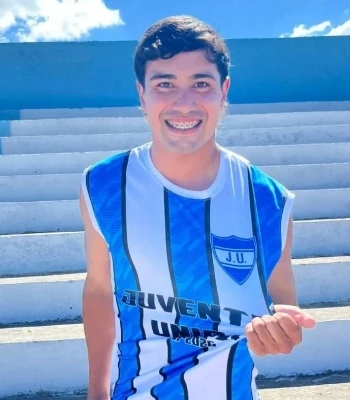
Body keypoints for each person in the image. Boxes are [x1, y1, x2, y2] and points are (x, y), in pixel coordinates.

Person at [79, 15, 316, 400]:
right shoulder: (102, 185)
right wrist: (96, 391)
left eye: (201, 83)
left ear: (224, 91)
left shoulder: (270, 201)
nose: (184, 103)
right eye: (165, 84)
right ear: (142, 94)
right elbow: (100, 290)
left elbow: (282, 306)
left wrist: (281, 333)